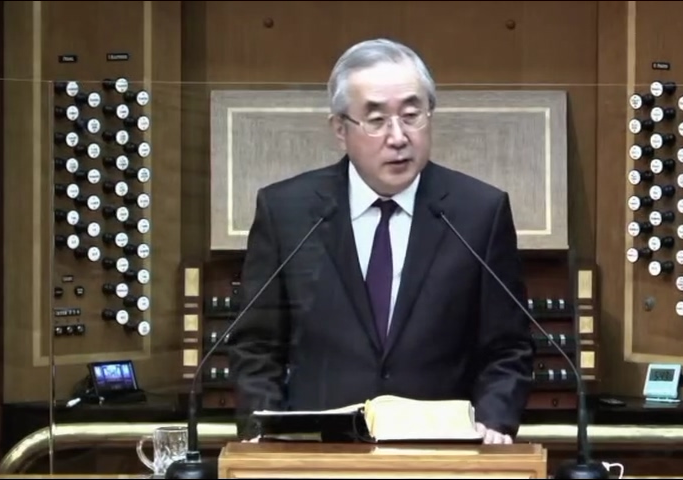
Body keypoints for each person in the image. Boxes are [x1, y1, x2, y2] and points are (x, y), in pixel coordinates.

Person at [228, 38, 535, 445]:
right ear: (340, 129)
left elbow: (508, 347)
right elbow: (256, 346)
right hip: (317, 453)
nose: (398, 137)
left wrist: (494, 422)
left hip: (441, 454)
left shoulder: (479, 212)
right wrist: (262, 434)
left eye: (412, 115)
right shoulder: (287, 211)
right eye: (376, 120)